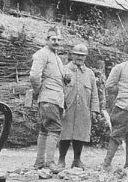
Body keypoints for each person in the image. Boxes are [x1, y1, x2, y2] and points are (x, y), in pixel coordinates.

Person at [25, 30, 69, 171]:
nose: (56, 42)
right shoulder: (42, 54)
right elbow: (34, 76)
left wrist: (65, 79)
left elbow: (56, 77)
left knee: (45, 129)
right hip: (48, 98)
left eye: (58, 40)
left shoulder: (56, 57)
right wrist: (39, 91)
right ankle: (50, 162)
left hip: (56, 98)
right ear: (47, 39)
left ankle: (39, 163)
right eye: (53, 39)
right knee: (55, 128)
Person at [57, 42, 104, 170]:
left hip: (84, 109)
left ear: (86, 57)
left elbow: (94, 93)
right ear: (72, 55)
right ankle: (61, 160)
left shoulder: (89, 74)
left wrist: (95, 110)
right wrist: (60, 107)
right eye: (77, 55)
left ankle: (77, 160)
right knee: (65, 134)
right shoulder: (64, 70)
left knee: (80, 135)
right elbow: (59, 90)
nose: (79, 58)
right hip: (68, 108)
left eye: (82, 56)